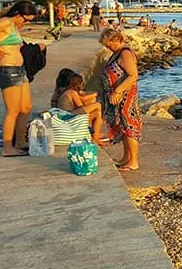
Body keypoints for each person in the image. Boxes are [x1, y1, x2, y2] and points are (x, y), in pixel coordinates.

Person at [0, 1, 38, 157]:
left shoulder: (14, 26)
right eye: (26, 19)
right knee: (13, 111)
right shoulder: (4, 22)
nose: (25, 22)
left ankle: (20, 142)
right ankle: (8, 147)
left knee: (26, 107)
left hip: (20, 70)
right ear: (19, 13)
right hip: (8, 71)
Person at [99, 28, 141, 171]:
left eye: (108, 43)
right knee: (122, 126)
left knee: (129, 126)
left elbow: (133, 75)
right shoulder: (117, 53)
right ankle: (126, 157)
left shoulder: (125, 53)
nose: (107, 46)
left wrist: (117, 91)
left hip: (125, 96)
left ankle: (133, 161)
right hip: (117, 97)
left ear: (116, 39)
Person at [58, 73, 106, 146]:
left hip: (67, 116)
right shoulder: (72, 92)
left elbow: (83, 95)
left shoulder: (69, 90)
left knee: (97, 112)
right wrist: (95, 95)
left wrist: (90, 97)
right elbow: (81, 106)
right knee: (98, 105)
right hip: (67, 118)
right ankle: (95, 137)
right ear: (79, 83)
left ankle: (95, 135)